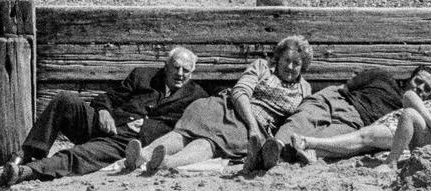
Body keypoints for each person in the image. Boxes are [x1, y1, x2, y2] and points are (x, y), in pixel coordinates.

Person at [0, 47, 206, 187]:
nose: (180, 74)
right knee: (64, 99)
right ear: (166, 66)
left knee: (80, 154)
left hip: (127, 141)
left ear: (192, 72)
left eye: (186, 70)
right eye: (175, 67)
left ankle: (28, 171)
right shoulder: (143, 75)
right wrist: (104, 111)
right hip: (104, 123)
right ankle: (26, 154)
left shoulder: (196, 97)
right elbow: (108, 97)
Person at [122, 36, 313, 174]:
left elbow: (296, 121)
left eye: (296, 63)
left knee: (211, 141)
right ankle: (143, 155)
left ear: (303, 66)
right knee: (187, 130)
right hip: (230, 107)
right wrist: (252, 125)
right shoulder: (262, 67)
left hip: (255, 128)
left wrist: (270, 138)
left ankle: (165, 162)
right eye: (286, 60)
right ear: (278, 58)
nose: (289, 67)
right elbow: (240, 92)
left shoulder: (305, 89)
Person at [283, 65, 431, 164]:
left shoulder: (402, 115)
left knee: (321, 141)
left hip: (355, 121)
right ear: (409, 79)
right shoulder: (383, 77)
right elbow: (350, 85)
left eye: (427, 89)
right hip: (337, 98)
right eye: (418, 81)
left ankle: (279, 154)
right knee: (302, 117)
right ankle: (276, 144)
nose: (420, 88)